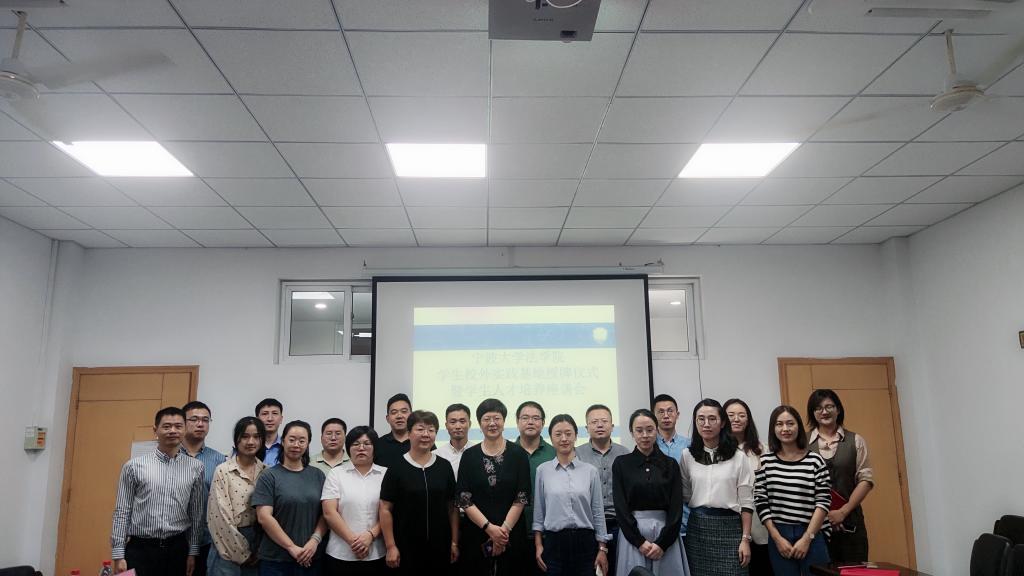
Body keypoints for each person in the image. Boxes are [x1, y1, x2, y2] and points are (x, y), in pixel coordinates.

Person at [111, 407, 205, 576]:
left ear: (184, 429)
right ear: (155, 430)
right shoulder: (134, 466)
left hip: (177, 549)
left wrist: (192, 552)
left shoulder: (196, 468)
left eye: (178, 426)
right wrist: (118, 554)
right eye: (167, 426)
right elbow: (122, 511)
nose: (173, 431)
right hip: (140, 550)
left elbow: (196, 514)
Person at [457, 398, 532, 576]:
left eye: (497, 418)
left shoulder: (518, 454)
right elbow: (464, 499)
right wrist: (490, 529)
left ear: (504, 422)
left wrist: (502, 532)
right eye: (486, 419)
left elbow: (521, 496)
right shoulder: (469, 456)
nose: (492, 423)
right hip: (477, 533)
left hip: (511, 533)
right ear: (479, 424)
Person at [679, 399, 754, 576]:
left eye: (712, 418)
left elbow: (746, 502)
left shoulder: (739, 457)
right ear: (695, 422)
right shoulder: (687, 455)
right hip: (698, 530)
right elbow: (686, 494)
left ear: (722, 423)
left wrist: (745, 539)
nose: (706, 424)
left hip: (731, 529)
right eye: (701, 419)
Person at [379, 410, 460, 575]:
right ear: (409, 433)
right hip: (405, 547)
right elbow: (385, 508)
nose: (426, 434)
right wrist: (391, 546)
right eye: (420, 429)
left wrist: (454, 542)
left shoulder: (444, 466)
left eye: (431, 430)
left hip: (440, 546)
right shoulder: (396, 467)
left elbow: (452, 507)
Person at [754, 406, 831, 576]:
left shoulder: (815, 461)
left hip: (812, 532)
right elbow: (760, 501)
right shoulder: (765, 462)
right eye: (779, 424)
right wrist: (777, 538)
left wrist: (807, 538)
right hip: (779, 535)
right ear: (773, 429)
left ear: (798, 427)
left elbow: (823, 502)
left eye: (790, 423)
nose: (785, 429)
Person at [612, 408, 689, 576]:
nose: (645, 435)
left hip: (665, 536)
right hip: (633, 537)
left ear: (657, 430)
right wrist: (639, 541)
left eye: (649, 429)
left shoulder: (670, 464)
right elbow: (621, 507)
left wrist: (663, 543)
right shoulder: (621, 464)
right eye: (639, 430)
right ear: (632, 432)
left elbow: (676, 507)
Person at [532, 414, 610, 576]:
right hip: (554, 543)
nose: (564, 438)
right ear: (551, 438)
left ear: (576, 435)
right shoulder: (543, 470)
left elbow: (598, 512)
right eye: (558, 434)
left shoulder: (590, 471)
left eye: (568, 433)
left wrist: (602, 548)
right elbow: (539, 512)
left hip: (585, 543)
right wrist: (538, 545)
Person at [806, 389, 873, 564]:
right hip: (814, 526)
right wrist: (825, 516)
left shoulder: (855, 440)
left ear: (838, 409)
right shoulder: (802, 443)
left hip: (850, 523)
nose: (824, 412)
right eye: (818, 408)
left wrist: (843, 512)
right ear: (813, 413)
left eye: (829, 406)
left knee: (854, 570)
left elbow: (865, 480)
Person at [253, 420, 328, 576]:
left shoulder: (318, 475)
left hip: (311, 557)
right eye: (292, 439)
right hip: (275, 561)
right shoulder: (269, 476)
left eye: (302, 441)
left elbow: (326, 514)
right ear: (283, 441)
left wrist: (314, 541)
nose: (296, 445)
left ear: (308, 444)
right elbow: (264, 517)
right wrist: (291, 547)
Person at [321, 426, 386, 576]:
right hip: (340, 553)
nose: (361, 448)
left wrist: (370, 535)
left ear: (375, 448)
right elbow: (329, 512)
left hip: (376, 552)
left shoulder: (385, 474)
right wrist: (354, 541)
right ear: (349, 447)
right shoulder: (336, 474)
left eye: (367, 444)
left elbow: (389, 511)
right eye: (356, 444)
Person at [208, 417, 269, 576]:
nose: (251, 441)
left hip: (258, 544)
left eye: (256, 437)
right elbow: (219, 516)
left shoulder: (267, 472)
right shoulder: (223, 470)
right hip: (227, 542)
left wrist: (259, 549)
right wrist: (242, 553)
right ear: (236, 440)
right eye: (245, 436)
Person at [576, 404, 630, 576]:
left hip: (619, 525)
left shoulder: (625, 454)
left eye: (604, 421)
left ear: (612, 426)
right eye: (594, 422)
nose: (599, 425)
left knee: (618, 570)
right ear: (586, 428)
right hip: (589, 526)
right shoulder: (577, 454)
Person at [724, 398, 773, 576]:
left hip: (759, 524)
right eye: (730, 415)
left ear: (748, 419)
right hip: (729, 525)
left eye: (741, 415)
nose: (736, 419)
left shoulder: (762, 449)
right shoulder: (718, 451)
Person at [183, 401, 228, 576]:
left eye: (205, 420)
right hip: (173, 539)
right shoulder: (171, 456)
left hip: (207, 540)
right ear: (183, 422)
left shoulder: (219, 460)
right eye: (194, 419)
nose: (200, 424)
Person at [516, 401, 556, 574]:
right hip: (514, 532)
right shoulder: (507, 452)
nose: (530, 422)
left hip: (549, 533)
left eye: (535, 418)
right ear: (517, 422)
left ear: (543, 422)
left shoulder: (555, 453)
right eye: (525, 418)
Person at [652, 394, 690, 537]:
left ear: (677, 414)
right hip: (657, 521)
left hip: (686, 519)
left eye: (670, 411)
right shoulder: (647, 446)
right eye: (661, 412)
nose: (666, 416)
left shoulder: (690, 445)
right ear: (654, 416)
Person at [436, 403, 474, 479]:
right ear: (446, 425)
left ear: (469, 424)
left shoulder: (478, 453)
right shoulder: (437, 455)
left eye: (462, 421)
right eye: (453, 422)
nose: (458, 426)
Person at [375, 393, 412, 469]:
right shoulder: (378, 445)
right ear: (388, 418)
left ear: (411, 416)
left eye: (404, 411)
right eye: (394, 412)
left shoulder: (421, 442)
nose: (399, 416)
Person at [255, 399, 284, 466]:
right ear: (257, 419)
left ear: (281, 419)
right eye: (265, 414)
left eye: (275, 413)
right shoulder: (249, 446)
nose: (270, 419)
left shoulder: (288, 446)